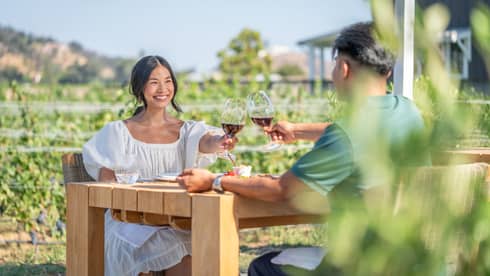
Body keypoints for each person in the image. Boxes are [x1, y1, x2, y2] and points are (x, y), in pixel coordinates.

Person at [177, 22, 431, 275]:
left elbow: (281, 190)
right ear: (386, 71)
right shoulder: (407, 110)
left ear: (344, 69)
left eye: (334, 65)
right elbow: (358, 132)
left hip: (361, 266)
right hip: (410, 260)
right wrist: (297, 131)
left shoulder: (346, 134)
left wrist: (215, 180)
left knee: (262, 266)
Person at [82, 55, 236, 276]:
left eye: (168, 80)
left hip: (175, 219)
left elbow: (206, 141)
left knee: (199, 240)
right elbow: (108, 185)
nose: (163, 88)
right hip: (128, 220)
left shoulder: (186, 131)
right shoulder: (117, 133)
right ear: (140, 88)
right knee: (170, 244)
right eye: (154, 82)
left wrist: (220, 142)